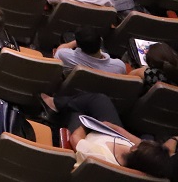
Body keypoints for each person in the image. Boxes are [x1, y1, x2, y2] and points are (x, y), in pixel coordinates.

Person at [40, 92, 169, 178]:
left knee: (76, 112)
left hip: (87, 132)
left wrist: (88, 124)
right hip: (109, 131)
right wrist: (114, 127)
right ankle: (57, 103)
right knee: (100, 99)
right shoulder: (142, 159)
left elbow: (75, 139)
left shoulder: (98, 157)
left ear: (135, 149)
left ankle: (54, 106)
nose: (141, 142)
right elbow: (138, 141)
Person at [54, 26, 126, 74]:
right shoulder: (119, 66)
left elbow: (59, 51)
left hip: (75, 92)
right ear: (100, 41)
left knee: (66, 35)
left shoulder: (66, 56)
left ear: (78, 45)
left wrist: (76, 42)